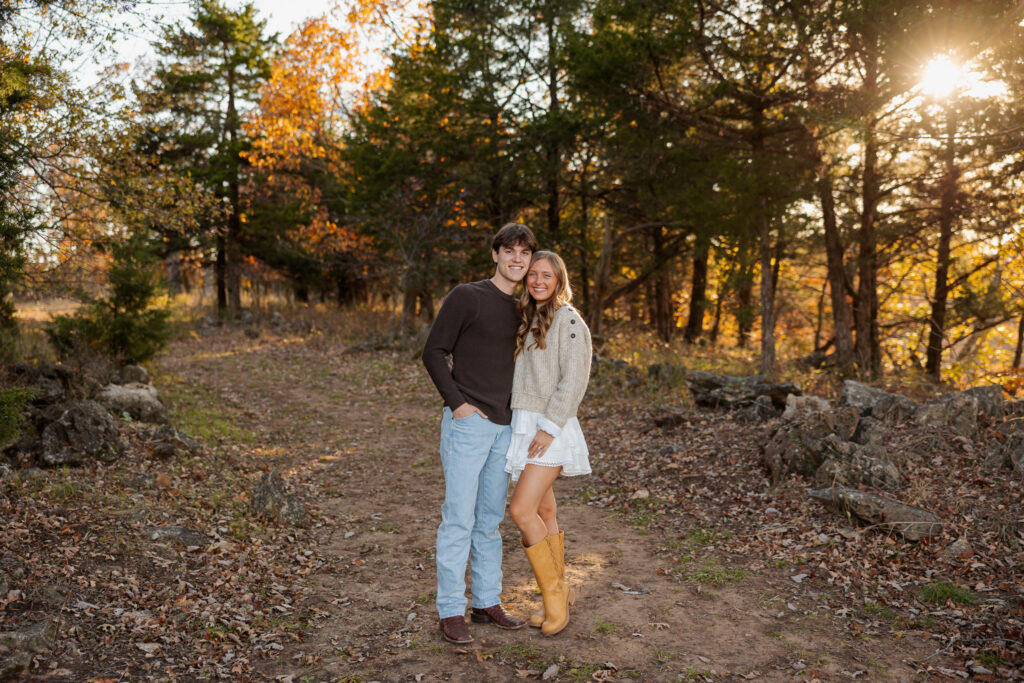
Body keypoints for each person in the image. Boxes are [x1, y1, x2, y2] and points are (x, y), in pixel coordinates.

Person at [421, 222, 539, 644]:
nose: (517, 259)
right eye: (509, 251)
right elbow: (433, 352)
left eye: (524, 253)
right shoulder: (467, 296)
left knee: (489, 521)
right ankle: (451, 610)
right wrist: (458, 404)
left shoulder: (528, 307)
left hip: (507, 428)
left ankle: (487, 602)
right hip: (469, 425)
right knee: (458, 518)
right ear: (495, 254)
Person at [505, 250, 592, 636]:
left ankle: (554, 597)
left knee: (521, 511)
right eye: (533, 275)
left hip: (549, 429)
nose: (538, 281)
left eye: (547, 276)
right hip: (526, 424)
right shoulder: (532, 317)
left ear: (559, 281)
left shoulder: (568, 319)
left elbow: (574, 380)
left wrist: (549, 427)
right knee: (543, 510)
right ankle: (559, 594)